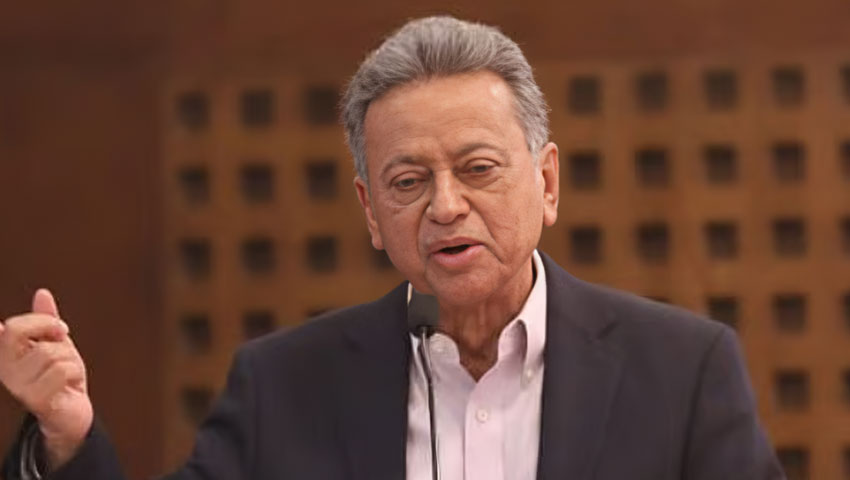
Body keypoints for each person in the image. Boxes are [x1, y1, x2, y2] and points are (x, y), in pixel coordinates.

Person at [1, 15, 783, 480]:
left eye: (477, 169)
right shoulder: (284, 386)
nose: (446, 206)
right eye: (409, 181)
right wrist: (67, 436)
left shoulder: (682, 370)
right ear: (372, 213)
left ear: (546, 183)